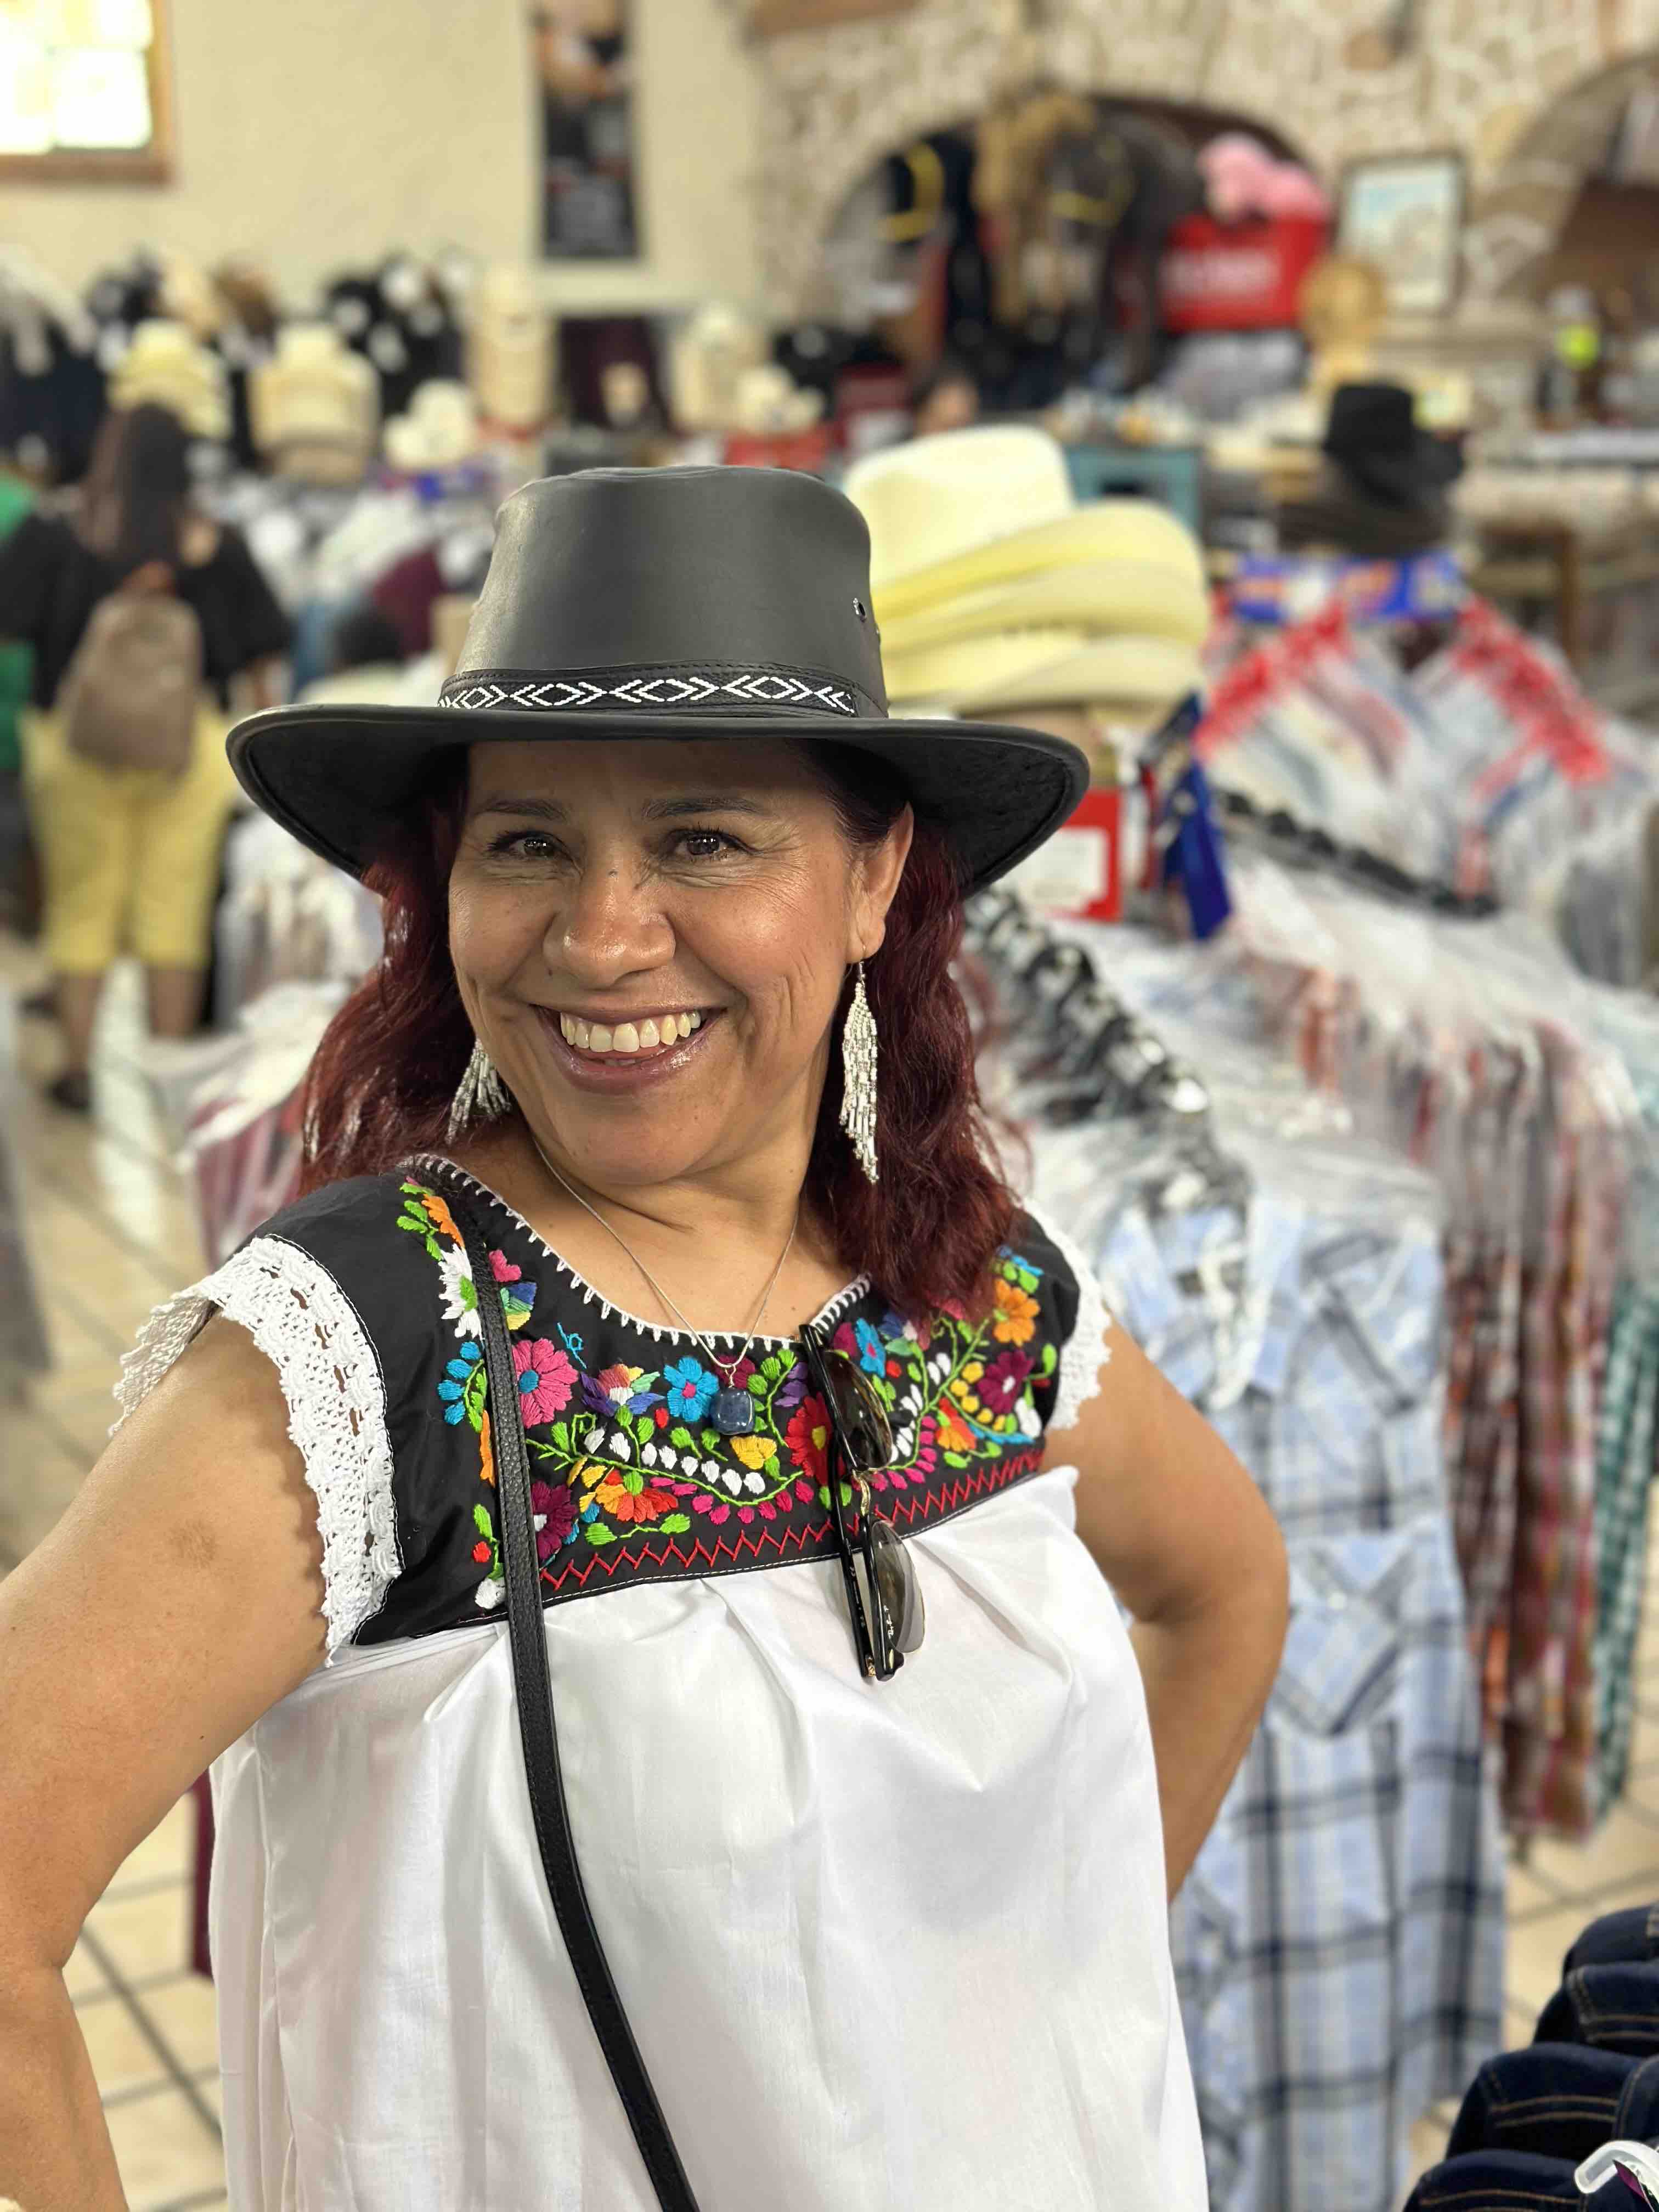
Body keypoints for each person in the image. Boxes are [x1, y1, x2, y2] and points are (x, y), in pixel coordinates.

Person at [0, 467, 1286, 2210]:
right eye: (526, 842)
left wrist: (1053, 2010)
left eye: (704, 839)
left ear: (874, 878)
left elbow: (1228, 1589)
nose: (603, 940)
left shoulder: (977, 1297)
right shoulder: (376, 1361)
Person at [0, 402, 290, 1110]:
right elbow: (265, 650)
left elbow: (10, 629)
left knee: (81, 905)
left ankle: (78, 1069)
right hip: (190, 746)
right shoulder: (217, 543)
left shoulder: (56, 531)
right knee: (174, 910)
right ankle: (168, 1082)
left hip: (76, 746)